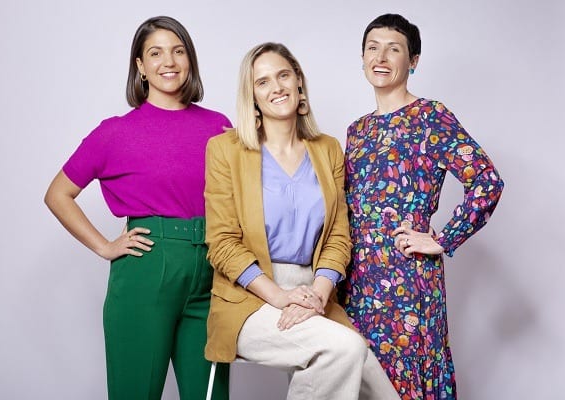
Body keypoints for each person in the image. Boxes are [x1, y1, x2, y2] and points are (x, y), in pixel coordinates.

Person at [43, 16, 230, 400]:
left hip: (214, 267)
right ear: (140, 66)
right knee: (136, 392)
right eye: (156, 53)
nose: (169, 61)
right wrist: (104, 246)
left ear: (190, 59)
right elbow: (58, 193)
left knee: (209, 394)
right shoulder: (115, 132)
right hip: (148, 267)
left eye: (178, 51)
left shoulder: (219, 126)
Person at [203, 42, 399, 400]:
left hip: (314, 293)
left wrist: (318, 296)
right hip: (251, 298)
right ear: (253, 97)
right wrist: (278, 295)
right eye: (262, 82)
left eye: (283, 75)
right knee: (344, 350)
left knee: (384, 394)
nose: (276, 87)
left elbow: (339, 236)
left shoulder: (327, 150)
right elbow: (222, 243)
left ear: (299, 83)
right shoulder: (225, 150)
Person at [338, 13, 505, 400]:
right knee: (359, 375)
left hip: (407, 279)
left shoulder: (431, 117)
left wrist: (443, 239)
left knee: (409, 380)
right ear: (362, 57)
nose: (381, 57)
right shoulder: (357, 130)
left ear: (412, 61)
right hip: (357, 279)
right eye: (372, 48)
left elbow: (486, 181)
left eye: (393, 49)